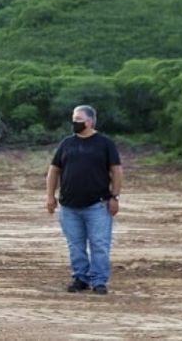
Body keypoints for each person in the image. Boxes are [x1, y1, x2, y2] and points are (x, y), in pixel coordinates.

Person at [46, 105, 122, 295]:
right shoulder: (66, 143)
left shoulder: (104, 143)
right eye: (73, 118)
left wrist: (115, 196)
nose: (74, 122)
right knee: (75, 245)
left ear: (89, 121)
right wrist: (50, 196)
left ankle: (99, 281)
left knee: (100, 244)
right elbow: (54, 170)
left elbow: (116, 170)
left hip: (98, 205)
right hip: (69, 206)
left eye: (78, 119)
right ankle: (80, 278)